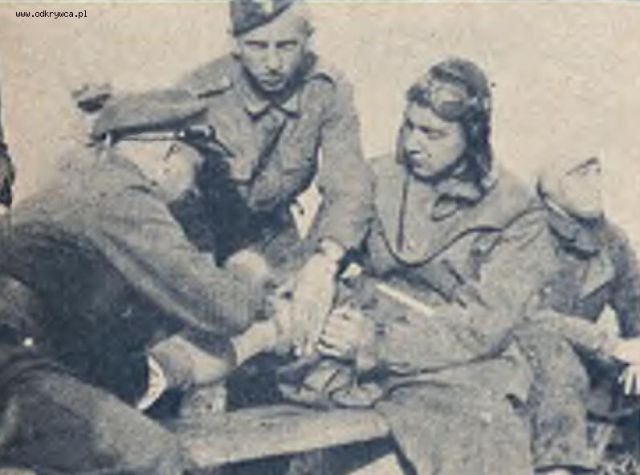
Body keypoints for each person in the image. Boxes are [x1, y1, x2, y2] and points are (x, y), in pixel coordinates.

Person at [0, 90, 294, 473]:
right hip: (13, 367)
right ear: (168, 155)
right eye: (195, 171)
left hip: (33, 357)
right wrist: (254, 278)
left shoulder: (80, 183)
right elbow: (228, 309)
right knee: (159, 458)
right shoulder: (122, 196)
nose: (192, 192)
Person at [299, 57, 557, 475]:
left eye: (434, 133)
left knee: (482, 436)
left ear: (473, 136)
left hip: (458, 364)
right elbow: (319, 261)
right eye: (410, 126)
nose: (414, 144)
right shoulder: (375, 177)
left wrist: (376, 343)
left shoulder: (516, 209)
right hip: (352, 357)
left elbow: (483, 324)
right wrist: (330, 303)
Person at [174, 0, 374, 356]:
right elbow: (180, 195)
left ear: (308, 40)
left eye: (286, 46)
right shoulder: (198, 92)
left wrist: (323, 263)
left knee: (309, 324)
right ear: (234, 43)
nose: (272, 63)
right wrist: (223, 268)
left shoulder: (326, 89)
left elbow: (349, 184)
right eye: (257, 46)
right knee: (206, 323)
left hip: (273, 233)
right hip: (200, 235)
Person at [512, 156, 640, 475]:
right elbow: (521, 315)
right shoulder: (520, 233)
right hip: (514, 362)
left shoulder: (610, 240)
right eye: (581, 173)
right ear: (550, 185)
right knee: (556, 358)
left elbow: (635, 300)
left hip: (583, 364)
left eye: (598, 172)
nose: (595, 183)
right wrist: (610, 345)